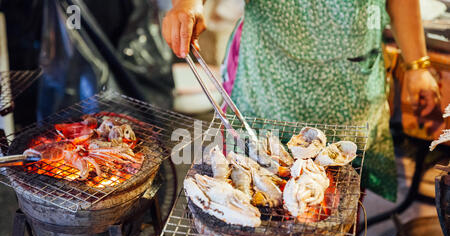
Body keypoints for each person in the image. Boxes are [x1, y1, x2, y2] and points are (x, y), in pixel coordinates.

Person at [162, 0, 440, 202]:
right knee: (251, 190)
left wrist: (418, 64)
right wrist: (186, 5)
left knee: (334, 204)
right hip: (268, 76)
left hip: (351, 86)